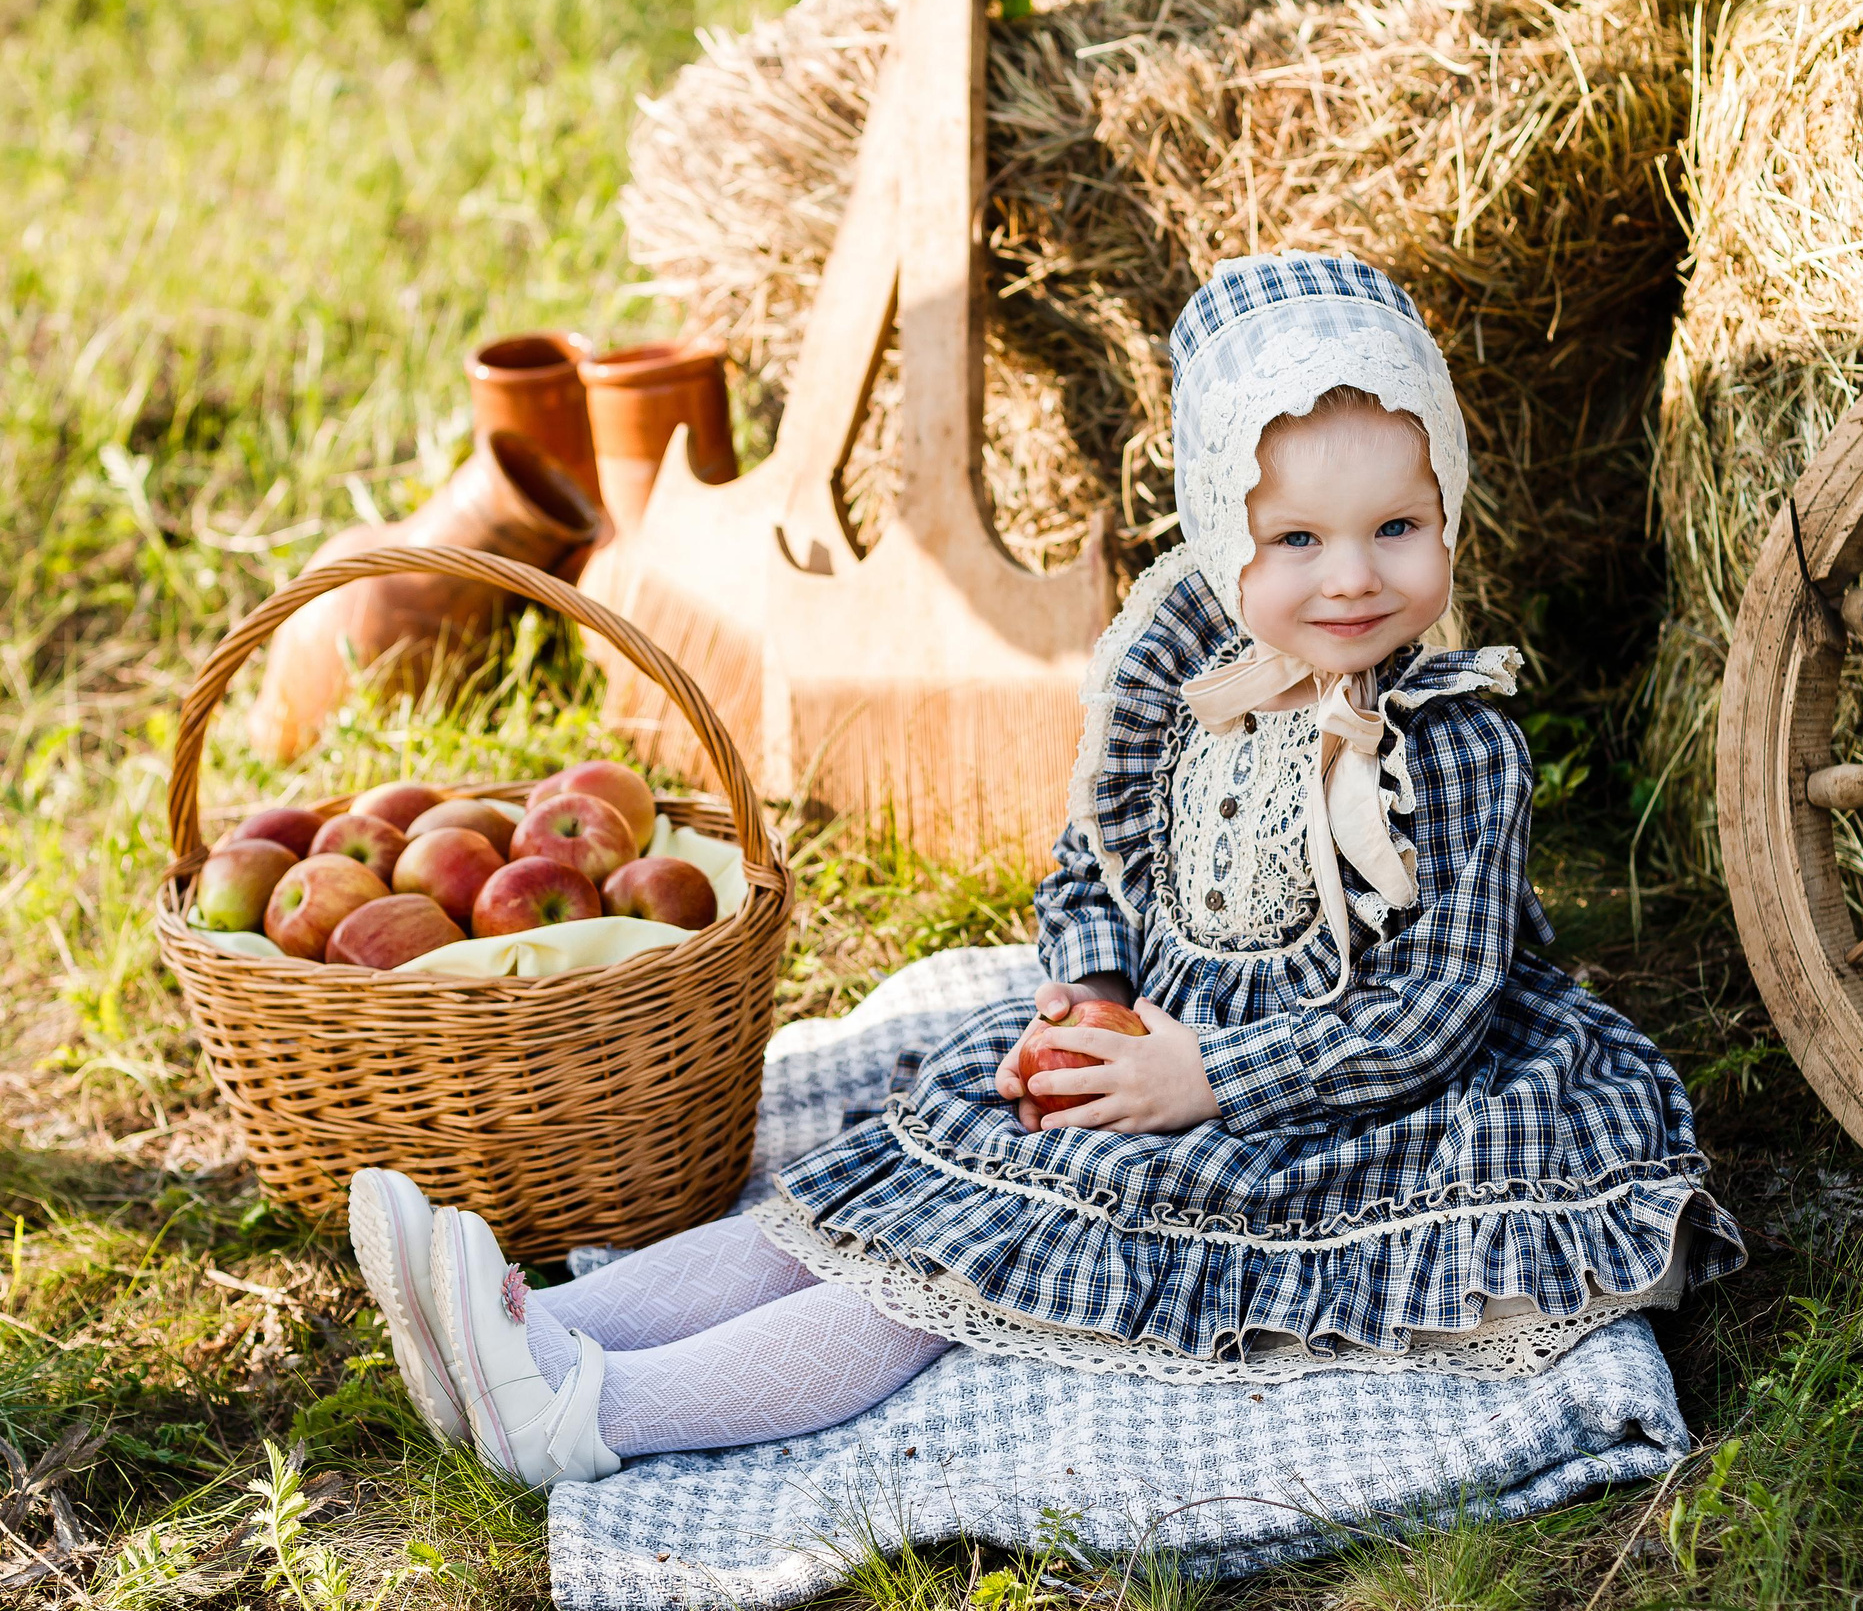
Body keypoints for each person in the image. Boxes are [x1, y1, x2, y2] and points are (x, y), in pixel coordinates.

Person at [348, 253, 1743, 1486]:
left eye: (1399, 526)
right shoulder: (1177, 651)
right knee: (894, 1173)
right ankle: (548, 1326)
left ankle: (598, 1413)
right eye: (1296, 539)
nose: (1352, 579)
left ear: (1450, 505)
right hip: (1161, 1031)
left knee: (958, 1260)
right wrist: (1087, 986)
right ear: (1215, 523)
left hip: (1351, 1090)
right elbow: (1098, 857)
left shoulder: (1455, 742)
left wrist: (1203, 1076)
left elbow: (1433, 1011)